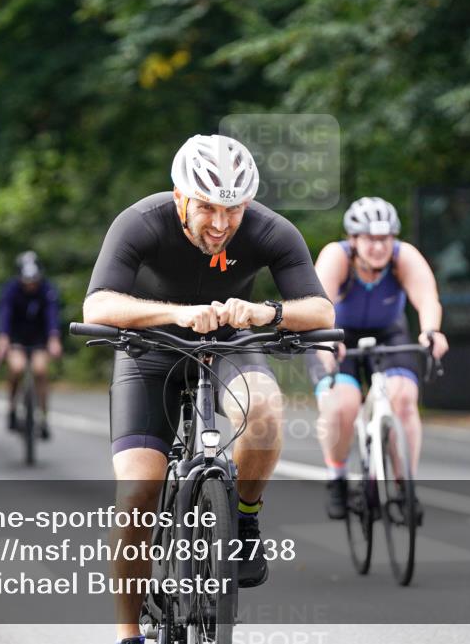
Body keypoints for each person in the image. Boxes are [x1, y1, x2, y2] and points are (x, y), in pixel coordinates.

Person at [83, 133, 334, 644]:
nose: (220, 225)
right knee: (137, 494)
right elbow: (98, 306)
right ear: (180, 197)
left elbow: (321, 310)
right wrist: (177, 314)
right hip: (148, 349)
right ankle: (128, 634)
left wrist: (268, 313)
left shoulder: (270, 230)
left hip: (230, 340)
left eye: (233, 210)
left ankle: (241, 521)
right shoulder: (140, 221)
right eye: (207, 208)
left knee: (264, 409)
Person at [310, 197, 449, 520]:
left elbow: (428, 298)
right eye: (371, 239)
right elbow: (317, 307)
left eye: (385, 238)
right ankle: (338, 478)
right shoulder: (336, 257)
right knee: (342, 404)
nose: (379, 247)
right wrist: (326, 342)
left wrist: (431, 331)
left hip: (389, 333)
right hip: (336, 334)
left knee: (403, 398)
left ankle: (404, 487)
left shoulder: (404, 258)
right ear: (354, 240)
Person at [0, 251, 61, 439]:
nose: (30, 285)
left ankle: (44, 417)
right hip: (16, 339)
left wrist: (54, 339)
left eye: (34, 281)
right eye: (27, 281)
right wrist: (3, 340)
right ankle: (12, 407)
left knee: (40, 371)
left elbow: (51, 316)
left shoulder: (47, 290)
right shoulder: (11, 290)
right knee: (17, 368)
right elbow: (4, 315)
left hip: (39, 340)